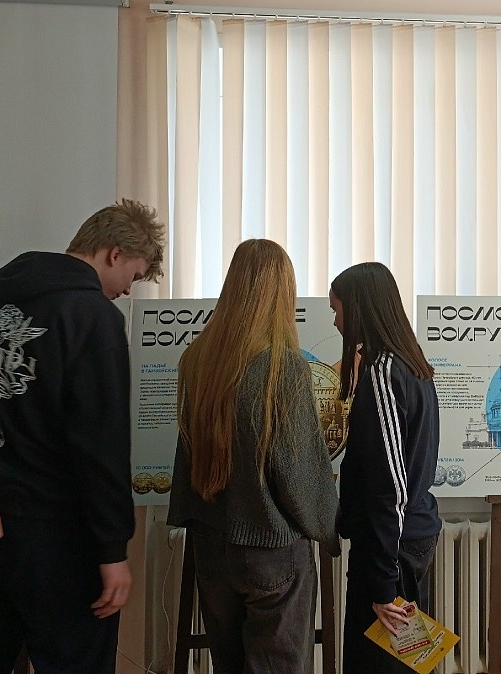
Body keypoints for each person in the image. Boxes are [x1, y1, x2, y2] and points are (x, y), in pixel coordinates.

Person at [0, 199, 166, 674]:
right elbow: (101, 445)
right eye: (132, 277)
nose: (124, 291)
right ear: (114, 254)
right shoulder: (92, 316)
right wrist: (112, 549)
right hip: (60, 541)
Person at [167, 239, 341, 674]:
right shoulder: (282, 366)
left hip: (211, 545)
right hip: (271, 547)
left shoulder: (197, 359)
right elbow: (299, 470)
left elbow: (186, 453)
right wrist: (327, 527)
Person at [328, 262, 442, 674]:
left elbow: (389, 486)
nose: (336, 322)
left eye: (338, 310)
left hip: (391, 548)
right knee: (408, 662)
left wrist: (381, 583)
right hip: (406, 538)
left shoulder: (383, 373)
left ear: (360, 308)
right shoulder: (412, 365)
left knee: (377, 666)